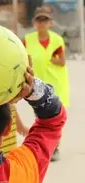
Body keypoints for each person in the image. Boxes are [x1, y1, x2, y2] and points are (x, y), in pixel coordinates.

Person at [23, 6, 70, 161]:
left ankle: (55, 147)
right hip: (37, 85)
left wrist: (49, 59)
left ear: (50, 23)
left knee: (55, 115)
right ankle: (47, 146)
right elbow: (20, 57)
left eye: (45, 20)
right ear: (34, 22)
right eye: (39, 20)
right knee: (40, 117)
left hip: (55, 84)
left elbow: (61, 61)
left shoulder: (57, 40)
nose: (42, 23)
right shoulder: (28, 40)